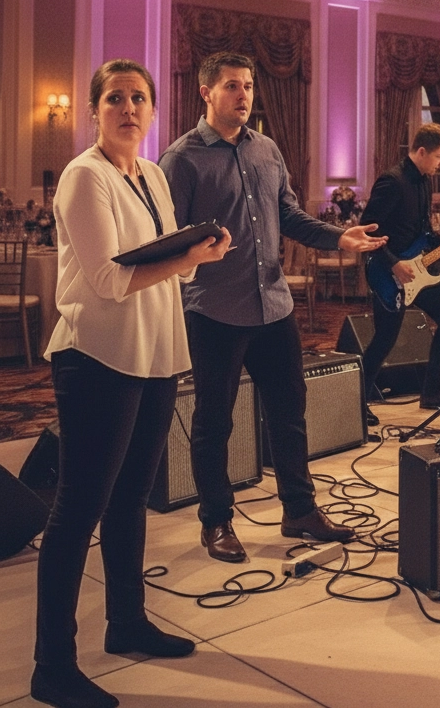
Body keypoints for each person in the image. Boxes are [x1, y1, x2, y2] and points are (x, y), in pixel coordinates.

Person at [35, 60, 232, 708]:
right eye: (115, 97)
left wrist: (194, 250)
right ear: (94, 109)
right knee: (77, 512)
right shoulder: (82, 175)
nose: (128, 107)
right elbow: (109, 281)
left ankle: (126, 622)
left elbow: (162, 267)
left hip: (154, 355)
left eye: (138, 98)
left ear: (152, 111)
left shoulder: (148, 175)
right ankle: (51, 667)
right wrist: (188, 256)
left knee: (131, 500)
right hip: (96, 357)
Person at [159, 52, 385, 564]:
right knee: (214, 420)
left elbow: (287, 215)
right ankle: (216, 521)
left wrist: (337, 238)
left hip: (274, 304)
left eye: (248, 86)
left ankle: (299, 510)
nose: (243, 95)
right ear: (207, 94)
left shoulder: (266, 149)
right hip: (214, 308)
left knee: (289, 411)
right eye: (233, 86)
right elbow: (169, 240)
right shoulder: (183, 158)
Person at [359, 123, 440, 412]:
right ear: (421, 151)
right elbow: (365, 231)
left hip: (418, 270)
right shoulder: (391, 181)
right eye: (439, 157)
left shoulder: (424, 180)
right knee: (385, 339)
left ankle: (432, 393)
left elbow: (423, 230)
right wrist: (394, 264)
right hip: (388, 272)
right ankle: (356, 403)